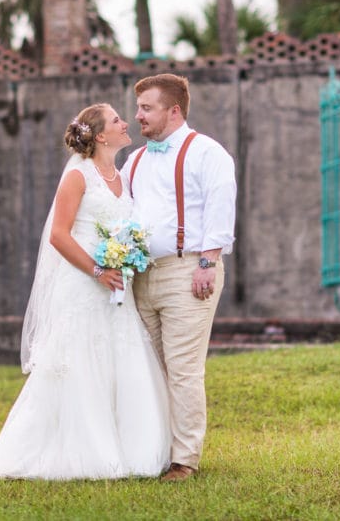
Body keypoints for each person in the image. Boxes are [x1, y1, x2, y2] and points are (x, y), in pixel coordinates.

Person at [0, 104, 170, 481]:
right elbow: (59, 234)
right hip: (84, 283)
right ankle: (84, 451)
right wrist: (97, 269)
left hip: (116, 287)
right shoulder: (78, 175)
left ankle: (130, 448)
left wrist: (126, 256)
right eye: (117, 120)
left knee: (117, 360)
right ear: (102, 135)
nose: (127, 123)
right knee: (80, 364)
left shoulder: (121, 177)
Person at [122, 74, 237, 482]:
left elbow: (221, 208)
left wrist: (207, 263)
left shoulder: (207, 153)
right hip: (141, 275)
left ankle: (184, 459)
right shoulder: (134, 159)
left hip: (189, 271)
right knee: (150, 368)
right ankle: (155, 450)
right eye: (138, 109)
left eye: (146, 108)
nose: (138, 116)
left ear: (174, 110)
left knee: (184, 368)